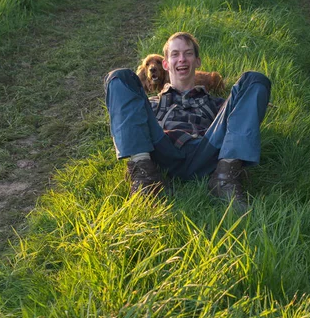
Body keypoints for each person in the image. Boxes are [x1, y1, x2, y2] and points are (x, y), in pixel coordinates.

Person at [104, 32, 271, 212]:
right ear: (166, 64)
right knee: (119, 77)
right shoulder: (151, 103)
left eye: (188, 53)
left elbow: (239, 120)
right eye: (175, 54)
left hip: (207, 153)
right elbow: (131, 120)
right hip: (162, 152)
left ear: (197, 62)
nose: (182, 59)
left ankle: (225, 178)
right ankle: (146, 179)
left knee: (255, 79)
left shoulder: (216, 103)